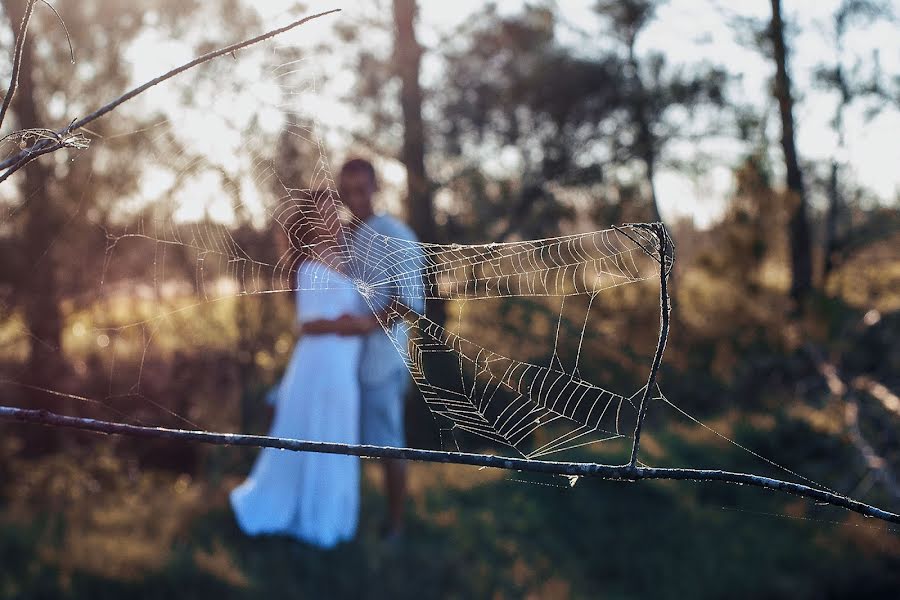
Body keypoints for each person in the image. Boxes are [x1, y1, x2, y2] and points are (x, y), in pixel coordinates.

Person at [230, 192, 367, 549]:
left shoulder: (346, 257)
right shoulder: (307, 266)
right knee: (318, 431)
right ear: (311, 222)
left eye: (334, 212)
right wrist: (345, 323)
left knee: (339, 431)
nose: (333, 219)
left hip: (344, 361)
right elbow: (307, 325)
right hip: (320, 362)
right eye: (324, 214)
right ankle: (313, 518)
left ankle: (334, 515)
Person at [302, 158, 425, 540]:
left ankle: (396, 526)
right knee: (346, 441)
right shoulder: (348, 236)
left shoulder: (395, 233)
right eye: (347, 191)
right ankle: (343, 514)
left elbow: (410, 303)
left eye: (361, 189)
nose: (353, 198)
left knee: (387, 444)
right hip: (345, 362)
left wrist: (365, 325)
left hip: (381, 362)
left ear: (375, 188)